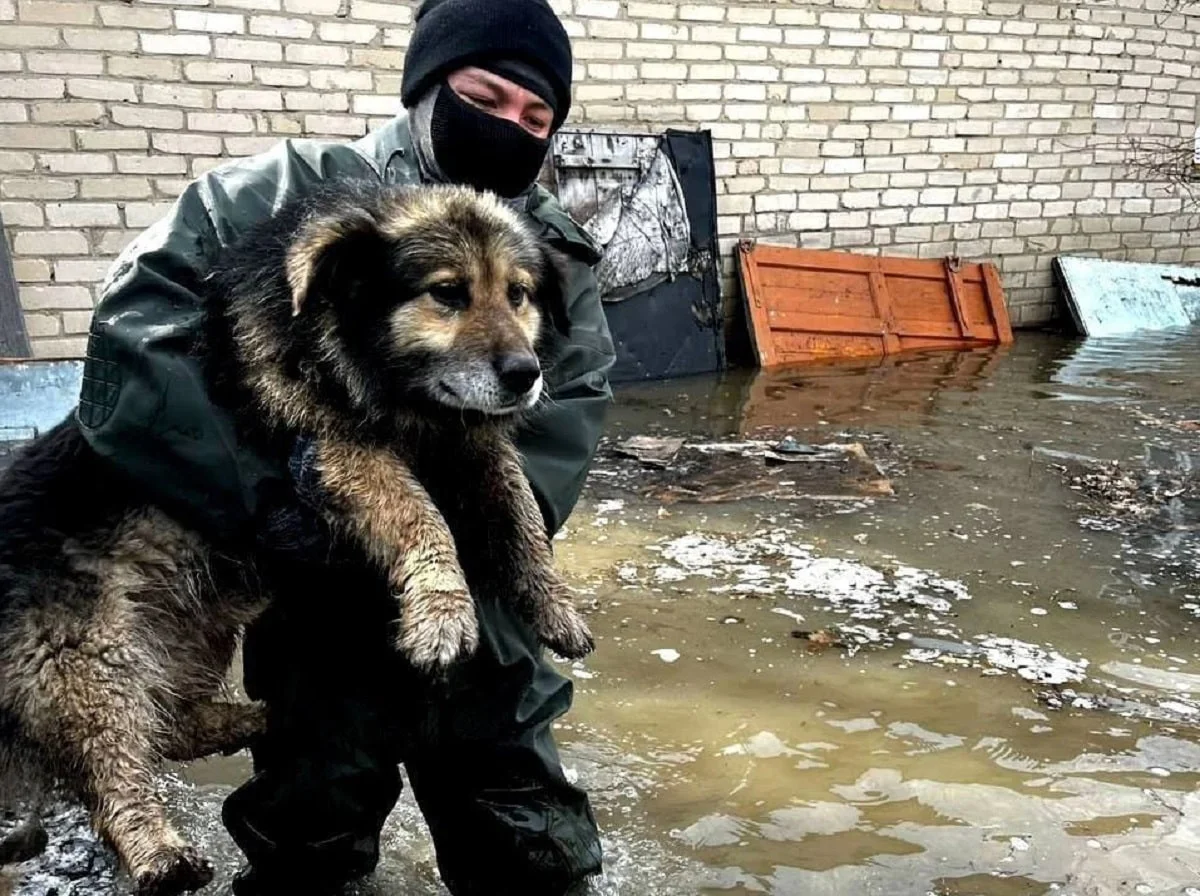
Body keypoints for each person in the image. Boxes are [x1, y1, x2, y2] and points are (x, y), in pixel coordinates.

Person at [75, 0, 615, 893]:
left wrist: (462, 540)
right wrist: (264, 500)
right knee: (306, 842)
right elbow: (135, 348)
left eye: (537, 117)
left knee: (530, 852)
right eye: (486, 95)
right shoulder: (279, 192)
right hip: (307, 605)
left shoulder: (550, 249)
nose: (510, 127)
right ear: (426, 88)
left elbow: (566, 413)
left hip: (479, 609)